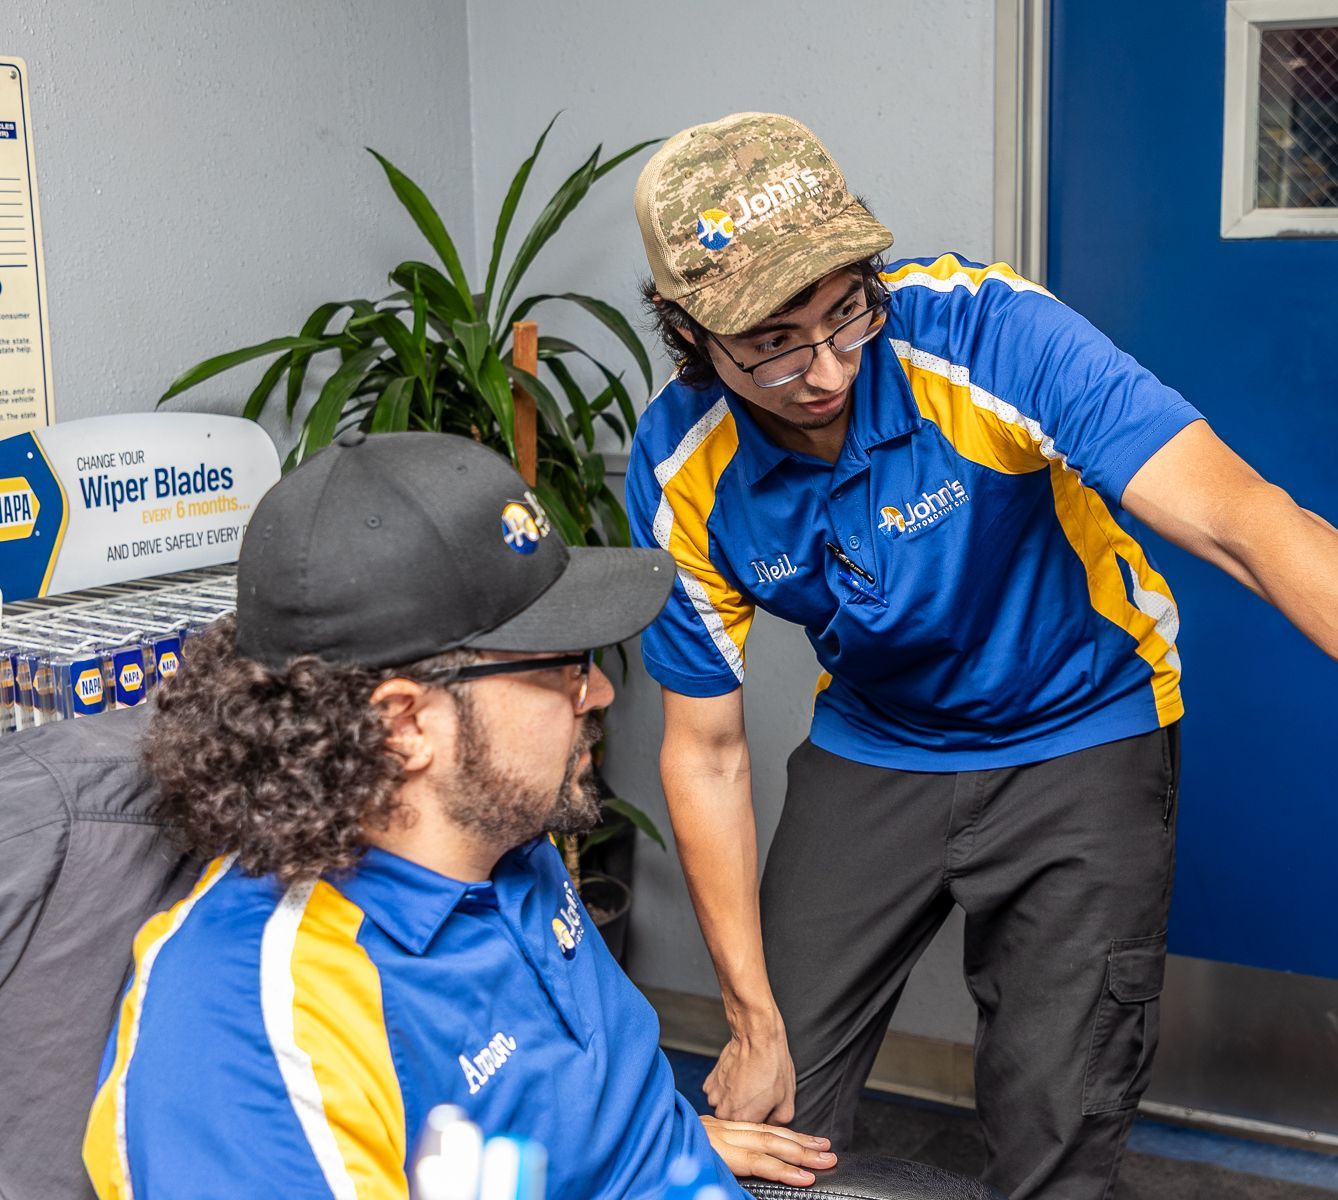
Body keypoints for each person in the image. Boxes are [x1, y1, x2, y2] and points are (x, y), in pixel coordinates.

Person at [625, 112, 1338, 1199]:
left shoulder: (984, 337)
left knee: (1056, 1131)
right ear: (690, 335)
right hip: (879, 743)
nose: (828, 367)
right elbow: (705, 753)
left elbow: (1247, 523)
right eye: (775, 344)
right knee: (768, 1116)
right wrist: (744, 1013)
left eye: (848, 311)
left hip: (1084, 724)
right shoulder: (682, 465)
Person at [82, 431, 838, 1199]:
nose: (601, 694)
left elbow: (556, 1104)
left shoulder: (503, 833)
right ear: (405, 725)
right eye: (563, 669)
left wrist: (656, 1139)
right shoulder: (258, 1031)